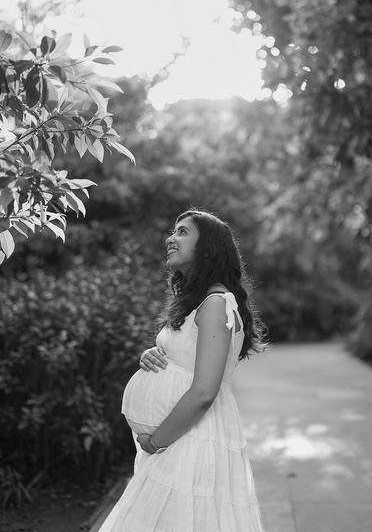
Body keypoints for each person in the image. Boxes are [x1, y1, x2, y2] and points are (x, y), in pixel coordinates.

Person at [99, 209, 269, 532]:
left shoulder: (216, 303)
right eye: (173, 231)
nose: (170, 239)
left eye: (182, 232)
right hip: (179, 436)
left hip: (190, 439)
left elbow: (205, 392)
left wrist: (155, 442)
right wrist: (154, 354)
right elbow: (186, 355)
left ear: (208, 248)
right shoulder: (197, 301)